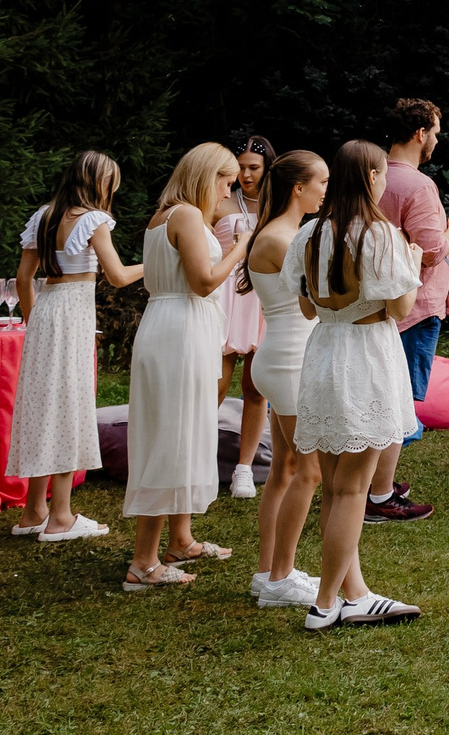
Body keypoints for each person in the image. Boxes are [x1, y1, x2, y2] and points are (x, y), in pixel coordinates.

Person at [294, 140, 425, 629]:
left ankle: (355, 592)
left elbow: (307, 305)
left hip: (324, 350)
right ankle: (325, 603)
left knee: (334, 488)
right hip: (367, 355)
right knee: (353, 490)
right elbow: (400, 308)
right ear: (371, 176)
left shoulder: (310, 233)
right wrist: (410, 263)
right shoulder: (379, 233)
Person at [123, 143, 250, 591]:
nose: (229, 190)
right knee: (171, 437)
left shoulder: (165, 216)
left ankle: (180, 539)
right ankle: (143, 562)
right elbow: (202, 282)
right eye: (226, 180)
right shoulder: (188, 217)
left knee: (184, 431)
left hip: (169, 326)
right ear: (205, 176)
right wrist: (241, 248)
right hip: (180, 331)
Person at [9, 150, 146, 543]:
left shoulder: (43, 215)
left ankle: (33, 511)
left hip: (45, 310)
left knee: (42, 406)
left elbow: (23, 278)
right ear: (100, 183)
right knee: (70, 405)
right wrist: (155, 264)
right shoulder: (94, 219)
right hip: (73, 314)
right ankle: (61, 517)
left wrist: (34, 320)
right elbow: (118, 276)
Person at [370, 98, 449, 524]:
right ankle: (378, 495)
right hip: (413, 306)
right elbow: (430, 252)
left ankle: (375, 485)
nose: (438, 140)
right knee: (399, 402)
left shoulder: (369, 175)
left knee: (381, 396)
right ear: (420, 133)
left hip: (374, 306)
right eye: (436, 132)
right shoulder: (417, 185)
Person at [246, 149, 328, 609]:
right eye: (321, 183)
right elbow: (318, 299)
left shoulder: (280, 233)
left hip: (280, 355)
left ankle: (267, 572)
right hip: (290, 360)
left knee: (284, 469)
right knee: (310, 469)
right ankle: (280, 577)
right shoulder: (284, 240)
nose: (326, 191)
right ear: (299, 188)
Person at [221, 135, 273, 498]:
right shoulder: (220, 199)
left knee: (256, 388)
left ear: (267, 167)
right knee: (216, 383)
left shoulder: (278, 204)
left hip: (262, 297)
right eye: (240, 167)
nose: (245, 174)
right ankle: (199, 458)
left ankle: (243, 468)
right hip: (226, 296)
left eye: (253, 167)